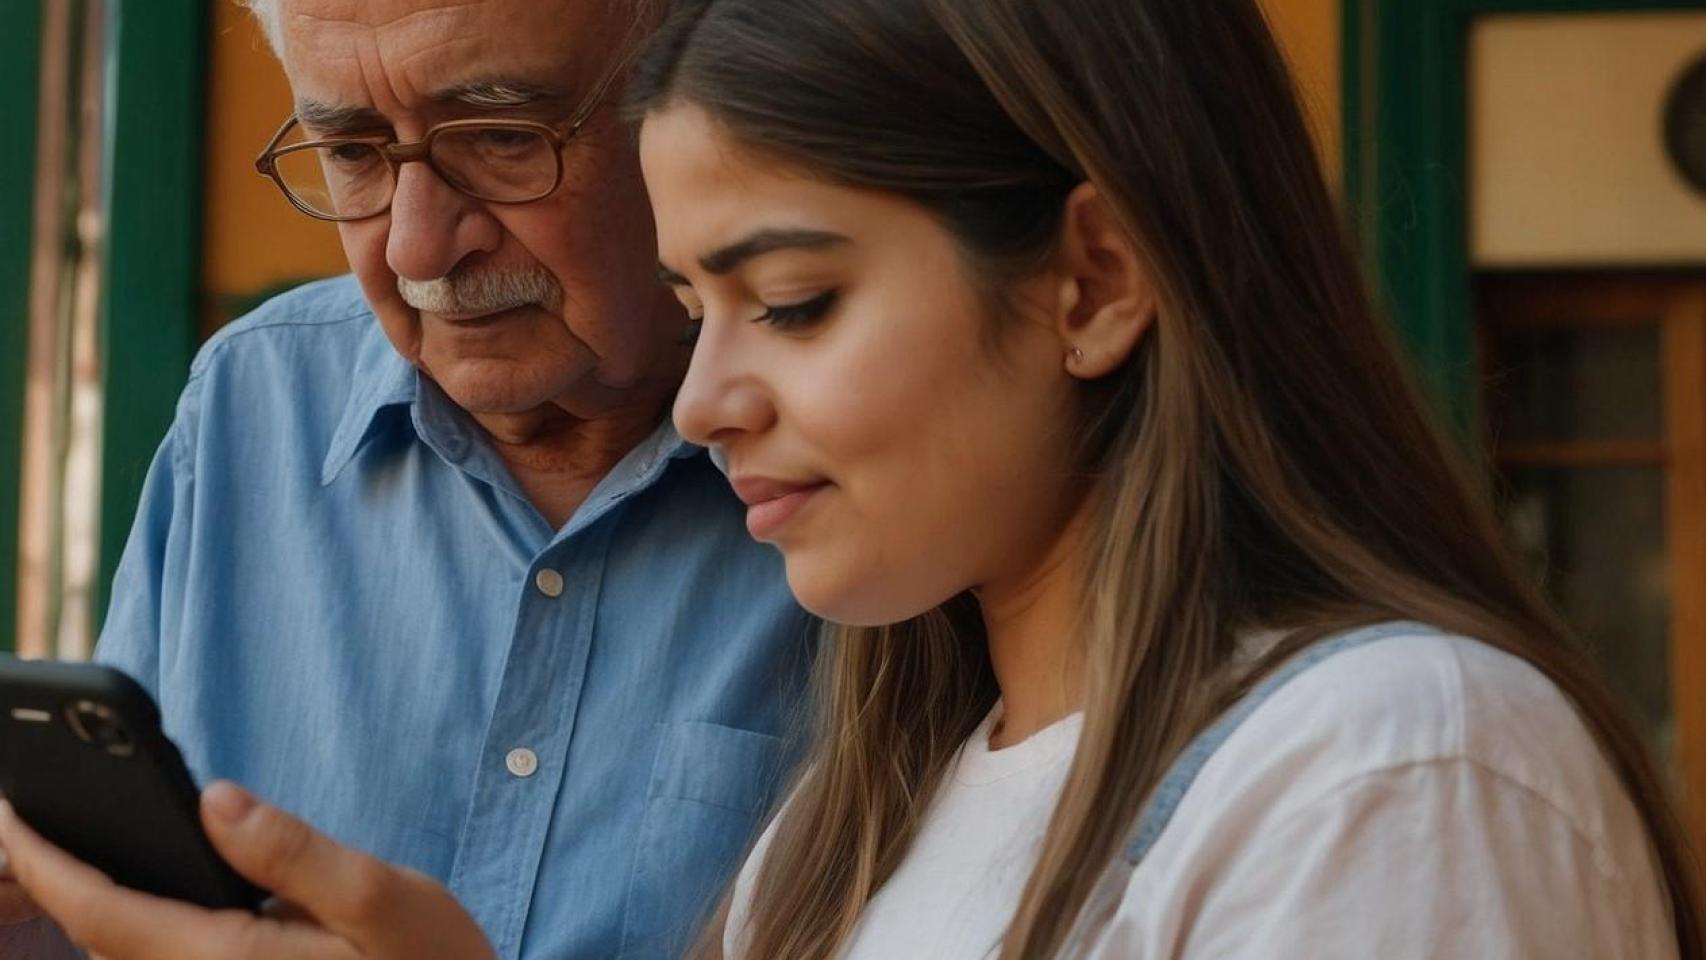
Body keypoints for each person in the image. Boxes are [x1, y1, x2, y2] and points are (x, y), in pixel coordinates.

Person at [4, 0, 1704, 957]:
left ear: (1097, 280)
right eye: (696, 304)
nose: (715, 393)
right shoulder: (875, 810)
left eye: (792, 302)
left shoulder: (1393, 777)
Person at [0, 1, 814, 959]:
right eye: (349, 151)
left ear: (713, 94)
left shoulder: (867, 471)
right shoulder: (252, 399)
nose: (416, 249)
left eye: (505, 137)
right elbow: (99, 911)